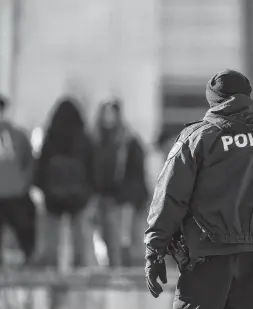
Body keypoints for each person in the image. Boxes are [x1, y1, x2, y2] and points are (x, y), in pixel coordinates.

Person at [144, 69, 253, 309]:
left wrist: (154, 251)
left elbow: (170, 198)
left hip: (206, 260)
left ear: (213, 100)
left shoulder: (198, 138)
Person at [34, 96, 96, 267]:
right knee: (79, 235)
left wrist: (43, 189)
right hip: (79, 196)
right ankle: (80, 267)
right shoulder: (84, 139)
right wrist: (90, 190)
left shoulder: (51, 138)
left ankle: (51, 266)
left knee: (52, 235)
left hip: (53, 196)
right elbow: (93, 167)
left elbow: (40, 166)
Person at [92, 98, 148, 267]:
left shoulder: (128, 141)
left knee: (124, 240)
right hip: (104, 196)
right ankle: (116, 271)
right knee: (107, 238)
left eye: (111, 113)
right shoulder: (96, 140)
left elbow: (136, 172)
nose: (108, 117)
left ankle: (123, 273)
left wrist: (130, 196)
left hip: (122, 199)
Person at [0, 94, 35, 266]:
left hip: (15, 193)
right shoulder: (18, 135)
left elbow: (29, 162)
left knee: (23, 232)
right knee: (23, 231)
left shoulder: (17, 136)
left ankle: (28, 259)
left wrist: (23, 183)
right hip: (15, 192)